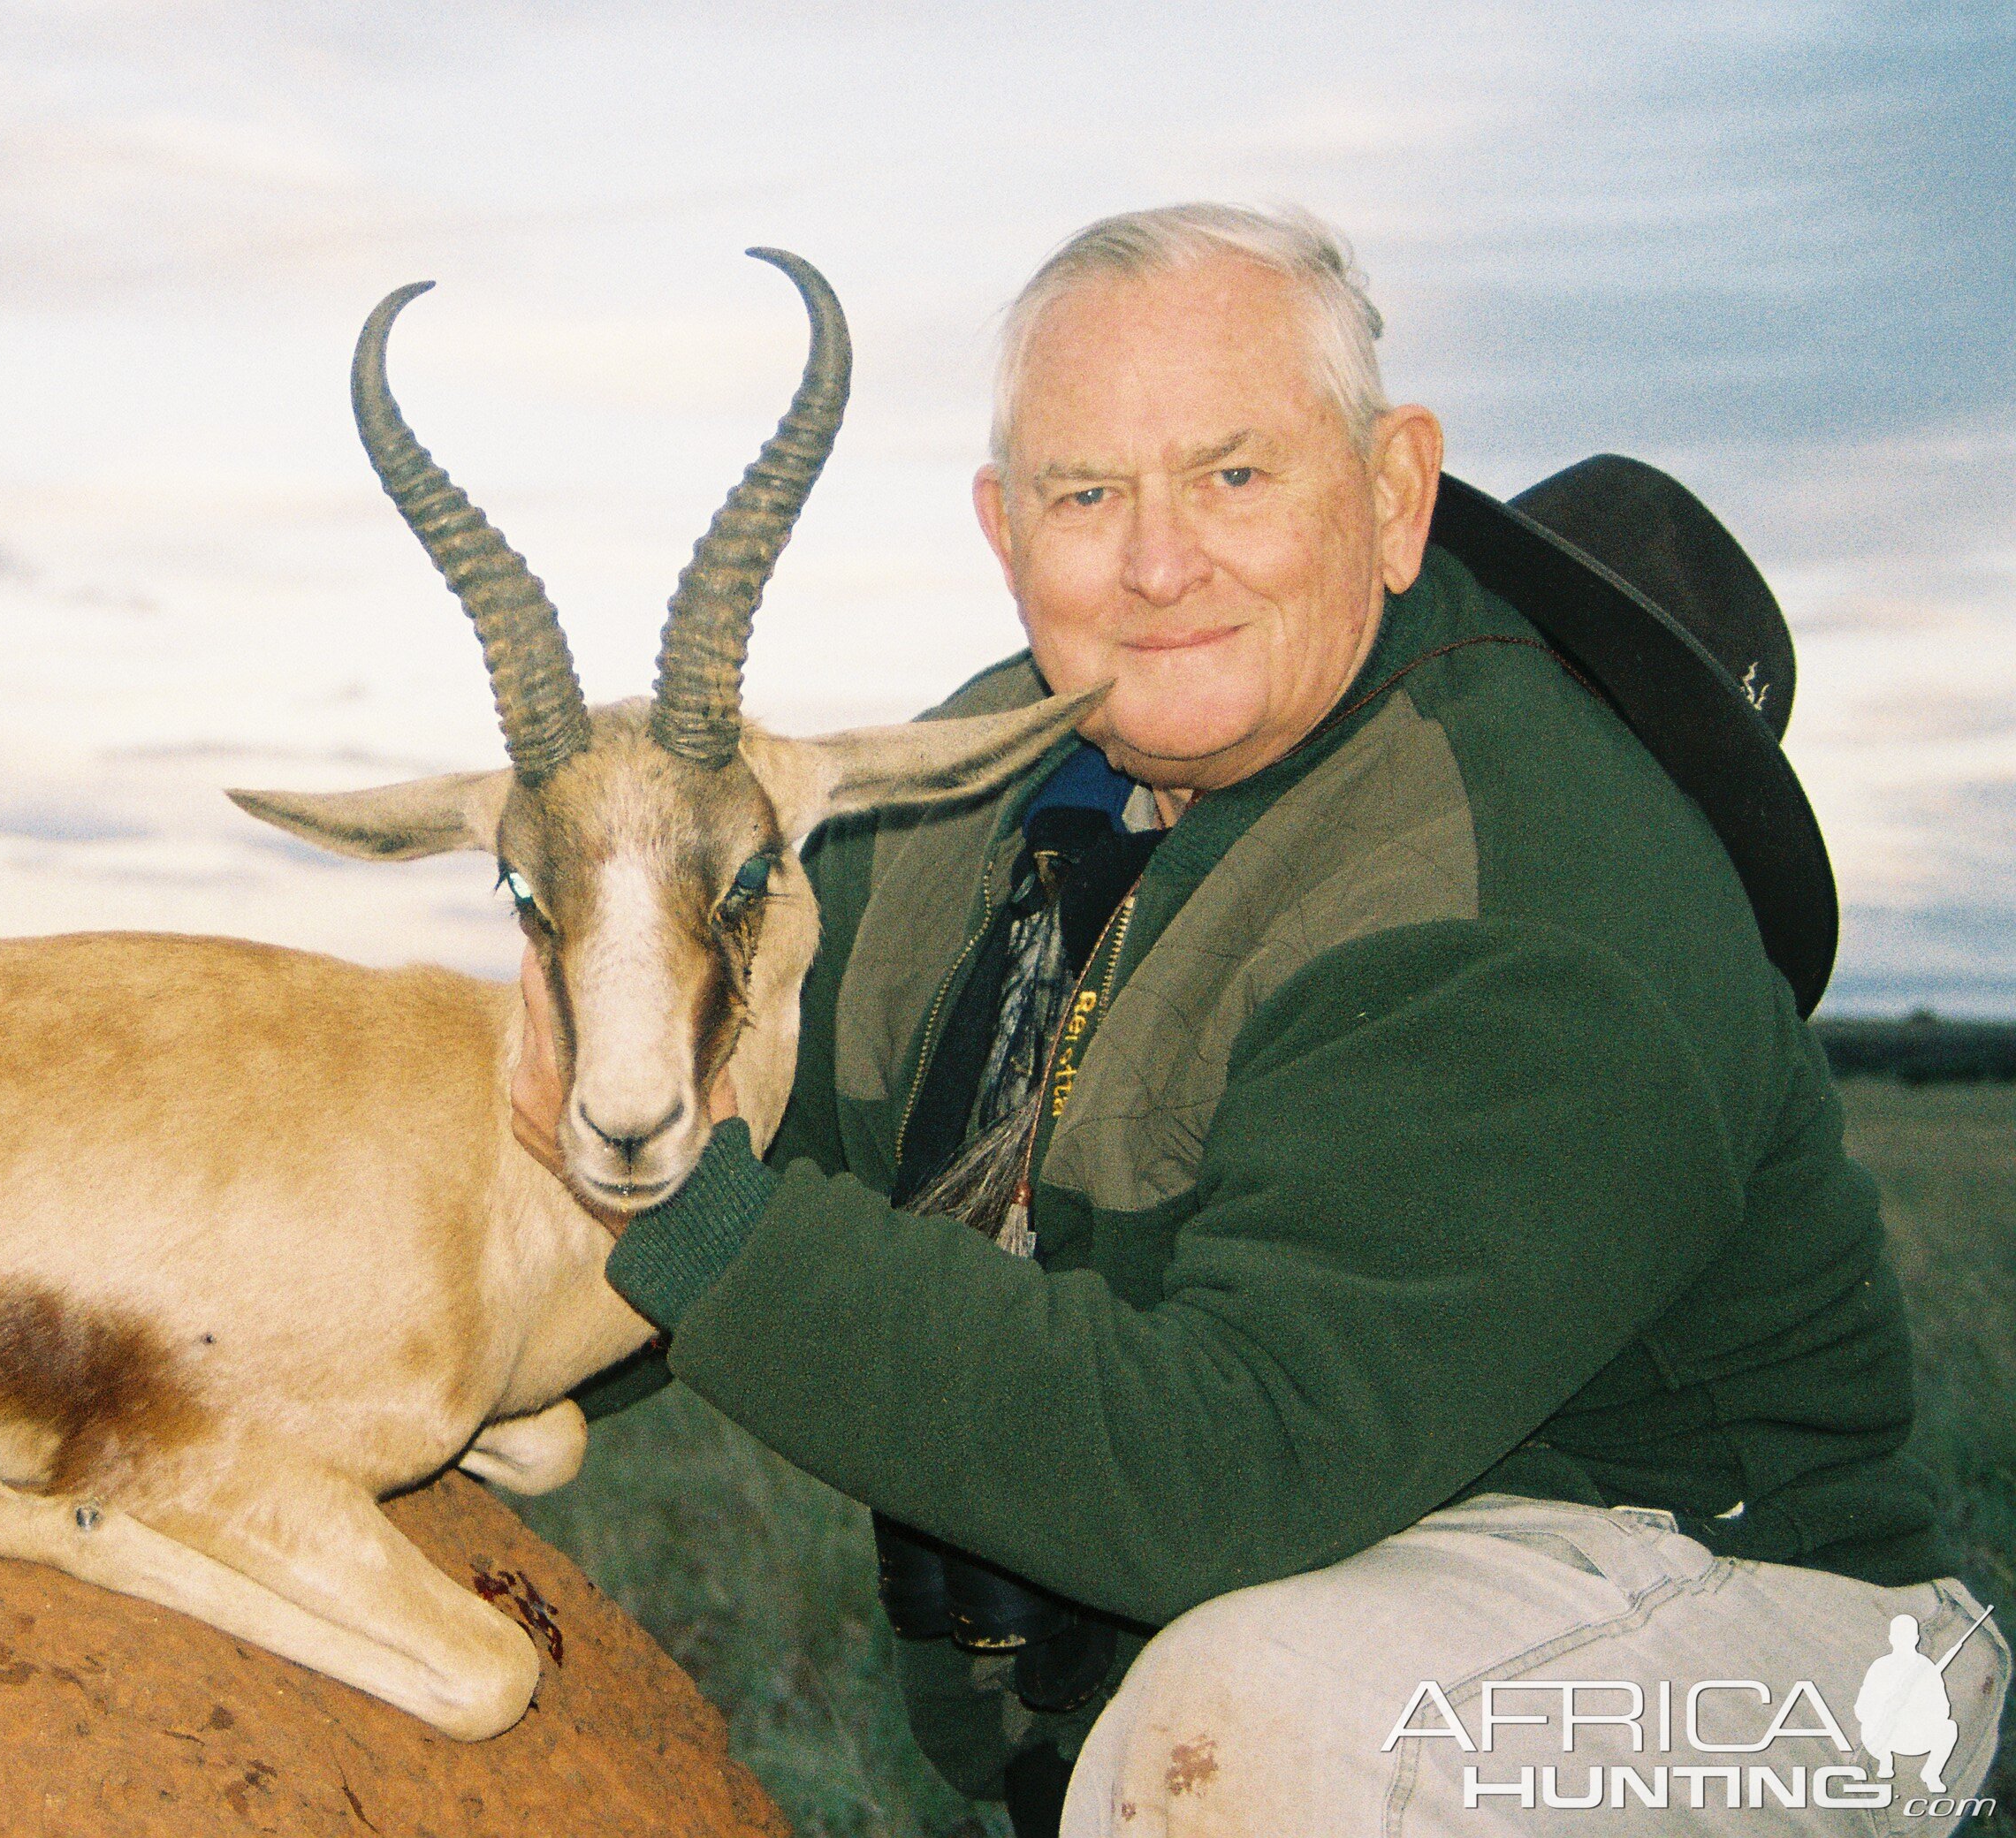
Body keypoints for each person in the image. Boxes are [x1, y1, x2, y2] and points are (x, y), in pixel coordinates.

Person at [518, 206, 2007, 1834]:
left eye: (1235, 477)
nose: (1159, 564)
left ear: (1390, 497)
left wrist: (694, 1223)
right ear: (1005, 530)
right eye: (1089, 494)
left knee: (1255, 1737)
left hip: (1733, 1615)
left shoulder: (1529, 863)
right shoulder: (956, 800)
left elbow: (1235, 1466)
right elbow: (697, 1118)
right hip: (1312, 1569)